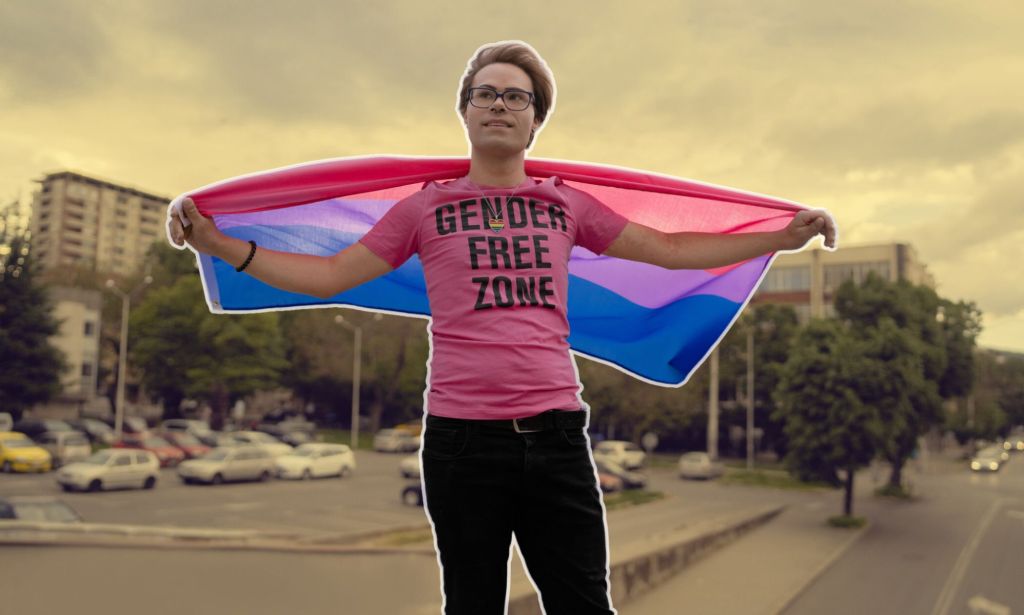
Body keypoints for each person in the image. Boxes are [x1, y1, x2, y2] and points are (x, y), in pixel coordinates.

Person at [168, 40, 835, 615]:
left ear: (535, 122)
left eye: (516, 98)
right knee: (471, 606)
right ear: (464, 112)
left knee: (583, 605)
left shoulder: (564, 203)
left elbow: (672, 249)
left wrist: (783, 235)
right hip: (460, 445)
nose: (498, 105)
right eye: (485, 93)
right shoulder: (424, 208)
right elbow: (331, 274)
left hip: (555, 437)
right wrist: (220, 244)